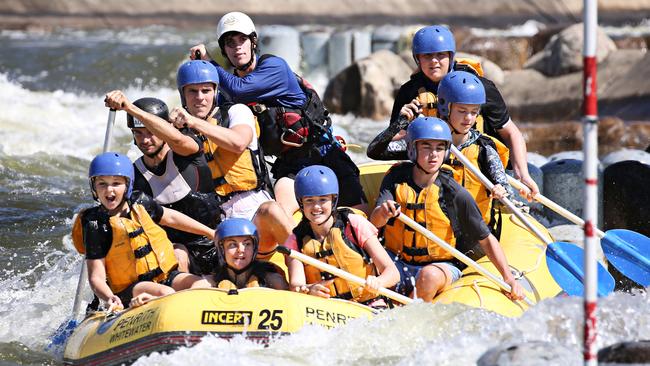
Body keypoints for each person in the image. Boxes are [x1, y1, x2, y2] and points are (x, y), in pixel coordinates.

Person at [190, 11, 368, 217]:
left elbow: (241, 89)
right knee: (282, 213)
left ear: (253, 42)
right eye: (230, 42)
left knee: (360, 214)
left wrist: (208, 62)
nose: (238, 47)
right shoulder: (227, 92)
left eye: (242, 40)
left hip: (323, 152)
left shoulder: (274, 67)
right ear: (224, 49)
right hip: (290, 163)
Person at [366, 25, 539, 200]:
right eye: (427, 56)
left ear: (451, 56)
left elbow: (510, 132)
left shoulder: (478, 87)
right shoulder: (409, 92)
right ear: (417, 59)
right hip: (432, 165)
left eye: (440, 55)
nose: (434, 61)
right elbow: (388, 145)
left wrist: (522, 174)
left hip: (474, 164)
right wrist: (401, 123)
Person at [369, 118, 524, 302]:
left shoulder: (454, 192)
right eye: (426, 147)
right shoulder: (396, 178)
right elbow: (373, 225)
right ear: (411, 149)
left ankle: (403, 315)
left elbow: (486, 239)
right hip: (395, 260)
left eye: (439, 148)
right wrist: (383, 213)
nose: (433, 155)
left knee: (429, 276)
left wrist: (509, 278)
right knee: (361, 261)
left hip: (440, 266)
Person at [172, 59, 293, 262]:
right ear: (183, 94)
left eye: (205, 90)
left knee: (271, 210)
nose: (200, 97)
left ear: (215, 92)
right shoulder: (179, 132)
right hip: (217, 217)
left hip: (254, 207)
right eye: (192, 91)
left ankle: (301, 273)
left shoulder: (236, 112)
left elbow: (238, 142)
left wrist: (193, 123)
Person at [71, 152, 211, 310]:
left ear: (128, 186)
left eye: (116, 183)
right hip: (129, 289)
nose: (109, 190)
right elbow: (96, 277)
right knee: (166, 292)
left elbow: (171, 218)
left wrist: (210, 232)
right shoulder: (95, 225)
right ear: (94, 187)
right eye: (102, 184)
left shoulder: (141, 203)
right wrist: (109, 297)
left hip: (163, 277)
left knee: (201, 284)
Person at [104, 93, 220, 274]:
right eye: (138, 133)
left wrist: (129, 109)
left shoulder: (187, 152)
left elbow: (177, 139)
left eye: (152, 132)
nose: (145, 140)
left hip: (216, 240)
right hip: (175, 253)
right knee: (178, 252)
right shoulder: (134, 177)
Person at [283, 165, 399, 308]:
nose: (316, 207)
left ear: (333, 200)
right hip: (329, 312)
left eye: (323, 199)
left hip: (369, 305)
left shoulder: (353, 224)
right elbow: (296, 286)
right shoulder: (295, 239)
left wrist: (379, 282)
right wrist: (309, 290)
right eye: (309, 201)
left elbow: (392, 273)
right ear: (301, 203)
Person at [436, 71, 515, 225]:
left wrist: (501, 190)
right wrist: (401, 123)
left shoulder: (484, 148)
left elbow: (507, 191)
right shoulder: (429, 143)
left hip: (475, 233)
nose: (468, 118)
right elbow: (376, 151)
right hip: (437, 231)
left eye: (474, 112)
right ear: (446, 108)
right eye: (462, 111)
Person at [196, 218, 288, 290]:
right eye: (232, 245)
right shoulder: (210, 281)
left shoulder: (272, 279)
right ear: (221, 249)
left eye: (247, 244)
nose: (241, 250)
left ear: (254, 249)